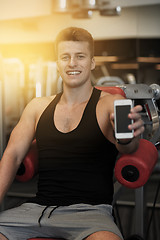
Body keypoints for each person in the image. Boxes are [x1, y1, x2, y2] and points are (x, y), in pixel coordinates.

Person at [0, 27, 144, 240]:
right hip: (36, 211)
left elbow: (127, 147)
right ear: (57, 63)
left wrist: (131, 136)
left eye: (80, 56)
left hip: (90, 214)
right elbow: (12, 156)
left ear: (92, 62)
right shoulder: (37, 107)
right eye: (65, 57)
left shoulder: (110, 104)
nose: (72, 63)